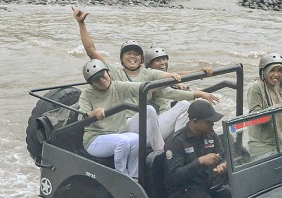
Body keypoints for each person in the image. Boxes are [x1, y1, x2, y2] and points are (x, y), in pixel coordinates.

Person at [72, 8, 218, 139]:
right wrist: (81, 24)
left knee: (184, 105)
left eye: (136, 54)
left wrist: (198, 72)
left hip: (149, 123)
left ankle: (178, 142)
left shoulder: (148, 73)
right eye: (128, 53)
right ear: (121, 59)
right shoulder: (112, 74)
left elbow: (171, 75)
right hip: (126, 124)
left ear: (142, 59)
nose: (132, 57)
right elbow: (91, 51)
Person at [164, 100, 232, 198]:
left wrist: (224, 164)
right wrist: (199, 162)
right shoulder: (176, 142)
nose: (213, 126)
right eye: (209, 122)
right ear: (195, 122)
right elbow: (175, 176)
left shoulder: (210, 135)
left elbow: (223, 154)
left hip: (207, 185)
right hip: (183, 193)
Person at [78, 59, 161, 178]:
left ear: (109, 73)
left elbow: (140, 87)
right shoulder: (87, 95)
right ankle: (122, 177)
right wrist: (93, 113)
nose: (102, 80)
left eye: (103, 76)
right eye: (97, 79)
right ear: (92, 84)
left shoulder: (117, 86)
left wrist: (170, 81)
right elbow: (81, 119)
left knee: (137, 139)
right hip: (95, 139)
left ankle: (134, 177)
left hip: (118, 133)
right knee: (123, 142)